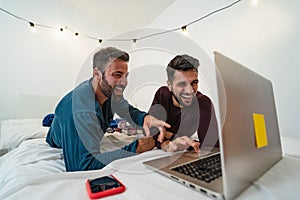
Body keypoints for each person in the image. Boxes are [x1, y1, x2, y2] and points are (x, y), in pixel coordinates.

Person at [46, 47, 170, 172]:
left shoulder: (110, 92)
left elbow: (126, 109)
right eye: (117, 75)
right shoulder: (82, 110)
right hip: (60, 138)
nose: (124, 82)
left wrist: (146, 118)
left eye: (125, 76)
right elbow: (81, 166)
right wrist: (135, 148)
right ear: (97, 74)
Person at [149, 54, 219, 153]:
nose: (190, 91)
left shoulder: (203, 103)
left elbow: (211, 146)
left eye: (194, 83)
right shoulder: (162, 95)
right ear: (170, 85)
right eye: (182, 84)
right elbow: (151, 130)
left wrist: (169, 136)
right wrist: (167, 142)